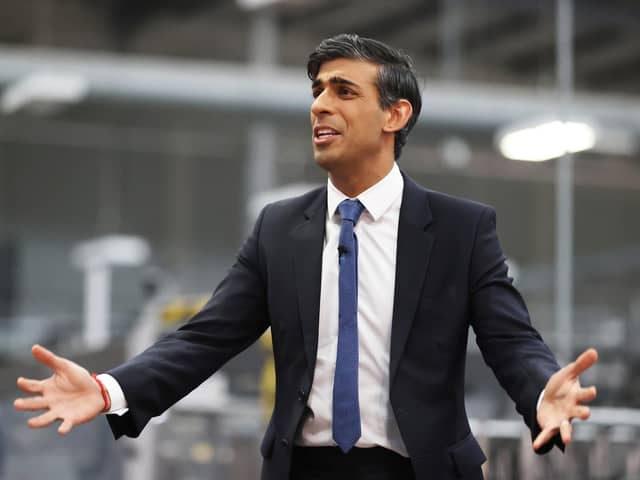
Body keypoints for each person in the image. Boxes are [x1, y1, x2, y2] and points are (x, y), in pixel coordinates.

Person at [14, 34, 598, 480]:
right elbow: (204, 338)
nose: (320, 105)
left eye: (344, 91)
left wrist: (541, 388)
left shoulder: (460, 229)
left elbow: (509, 338)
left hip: (419, 467)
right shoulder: (278, 230)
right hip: (303, 467)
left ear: (396, 115)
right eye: (317, 90)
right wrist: (110, 388)